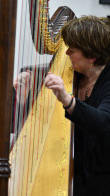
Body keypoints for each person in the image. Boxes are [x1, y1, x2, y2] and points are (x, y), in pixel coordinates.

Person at [44, 15, 110, 196]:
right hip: (74, 169)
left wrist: (68, 100)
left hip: (101, 177)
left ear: (91, 56)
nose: (66, 54)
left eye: (71, 50)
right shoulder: (74, 71)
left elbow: (102, 122)